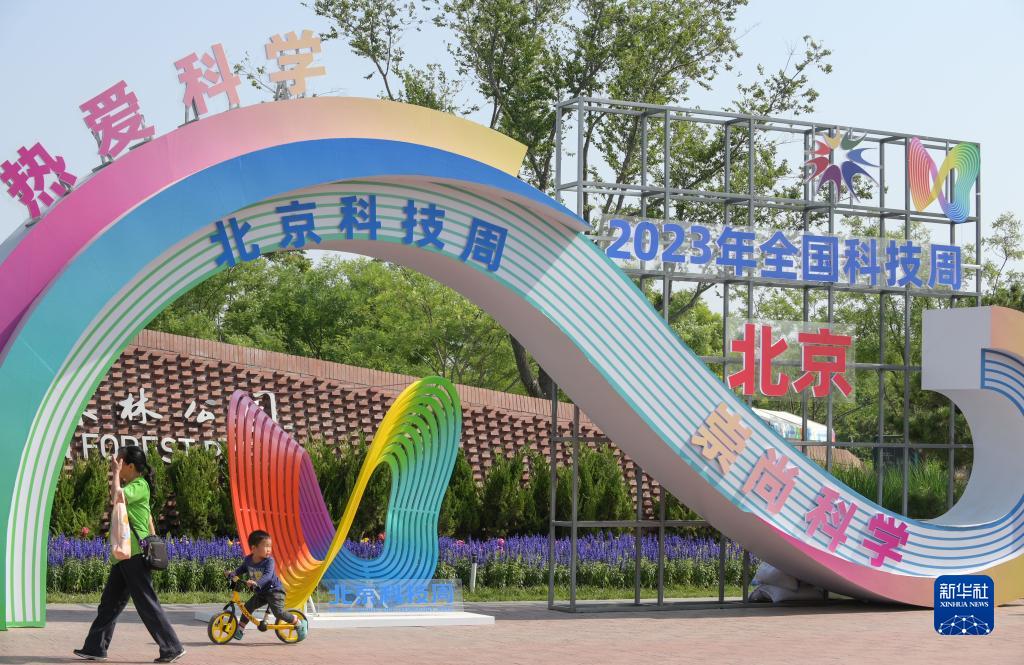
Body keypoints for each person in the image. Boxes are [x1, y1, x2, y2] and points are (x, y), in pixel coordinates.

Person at [74, 447, 185, 663]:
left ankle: (172, 647)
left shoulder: (139, 485)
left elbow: (116, 497)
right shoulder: (133, 487)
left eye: (120, 462)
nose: (116, 465)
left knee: (146, 603)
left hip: (134, 553)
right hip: (123, 554)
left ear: (130, 466)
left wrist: (114, 473)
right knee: (109, 604)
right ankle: (95, 648)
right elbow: (145, 516)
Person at [227, 530, 308, 641]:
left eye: (270, 546)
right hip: (261, 592)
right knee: (248, 607)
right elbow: (241, 569)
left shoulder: (269, 561)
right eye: (266, 546)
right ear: (254, 548)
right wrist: (233, 573)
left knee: (278, 613)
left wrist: (257, 583)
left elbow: (268, 575)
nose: (269, 549)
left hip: (275, 591)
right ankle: (240, 629)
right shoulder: (248, 560)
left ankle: (297, 622)